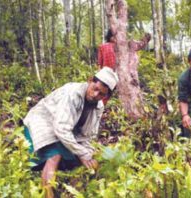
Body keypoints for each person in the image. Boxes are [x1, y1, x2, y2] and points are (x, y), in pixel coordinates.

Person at [23, 67, 119, 197]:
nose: (96, 95)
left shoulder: (98, 106)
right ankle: (48, 194)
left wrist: (87, 154)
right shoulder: (72, 94)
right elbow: (61, 128)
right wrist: (82, 152)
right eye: (95, 89)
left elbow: (88, 134)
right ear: (90, 81)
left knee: (84, 159)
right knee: (54, 155)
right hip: (43, 121)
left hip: (67, 128)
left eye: (101, 94)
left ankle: (73, 192)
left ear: (106, 96)